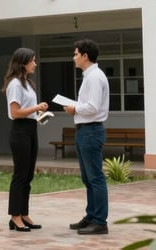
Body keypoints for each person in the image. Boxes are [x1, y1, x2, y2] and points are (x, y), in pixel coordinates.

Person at [63, 38, 110, 235]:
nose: (73, 58)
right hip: (85, 130)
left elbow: (93, 107)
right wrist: (77, 108)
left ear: (85, 56)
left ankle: (100, 221)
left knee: (95, 177)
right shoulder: (89, 76)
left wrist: (74, 108)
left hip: (91, 130)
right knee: (88, 178)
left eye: (75, 54)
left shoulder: (94, 77)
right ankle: (91, 216)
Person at [1, 47, 49, 233]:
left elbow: (28, 110)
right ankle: (15, 216)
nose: (35, 64)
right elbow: (14, 113)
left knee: (28, 174)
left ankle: (24, 213)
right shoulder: (15, 84)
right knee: (20, 174)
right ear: (23, 63)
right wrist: (36, 107)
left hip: (31, 129)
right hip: (20, 131)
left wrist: (39, 113)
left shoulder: (28, 83)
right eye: (33, 60)